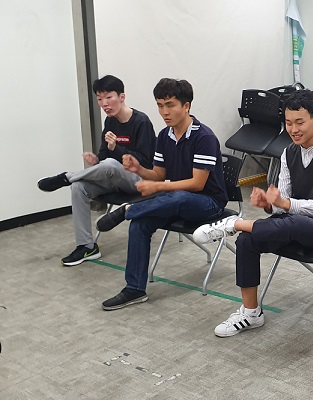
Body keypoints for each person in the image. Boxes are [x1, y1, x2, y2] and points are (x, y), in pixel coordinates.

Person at [193, 89, 313, 337]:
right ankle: (251, 313)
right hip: (294, 223)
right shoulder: (289, 152)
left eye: (299, 122)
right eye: (288, 123)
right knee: (247, 240)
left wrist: (284, 204)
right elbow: (283, 203)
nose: (293, 129)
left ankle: (233, 223)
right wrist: (269, 204)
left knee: (291, 223)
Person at [98, 78, 228, 311]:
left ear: (186, 106)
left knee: (178, 196)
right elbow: (158, 175)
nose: (164, 112)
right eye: (160, 105)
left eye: (170, 105)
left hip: (209, 203)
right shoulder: (164, 136)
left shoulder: (204, 137)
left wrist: (157, 188)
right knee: (140, 223)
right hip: (176, 200)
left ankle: (128, 209)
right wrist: (138, 169)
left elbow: (197, 184)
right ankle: (135, 289)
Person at [37, 75, 156, 266]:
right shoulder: (110, 122)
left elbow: (146, 162)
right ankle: (86, 246)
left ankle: (67, 176)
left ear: (122, 97)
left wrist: (116, 149)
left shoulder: (141, 121)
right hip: (115, 178)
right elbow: (104, 155)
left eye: (109, 97)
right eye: (100, 99)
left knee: (110, 164)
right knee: (78, 187)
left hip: (140, 181)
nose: (104, 104)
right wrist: (96, 160)